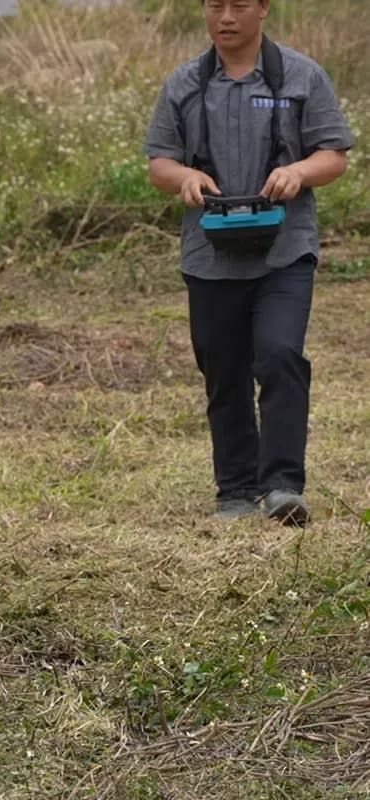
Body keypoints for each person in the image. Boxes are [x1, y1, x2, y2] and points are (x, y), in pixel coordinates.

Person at [145, 0, 353, 525]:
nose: (226, 17)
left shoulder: (303, 77)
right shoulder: (183, 83)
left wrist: (299, 172)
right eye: (215, 5)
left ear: (263, 9)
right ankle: (235, 491)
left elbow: (334, 155)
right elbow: (160, 163)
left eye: (239, 5)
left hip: (285, 251)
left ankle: (283, 487)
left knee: (280, 355)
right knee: (222, 367)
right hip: (208, 253)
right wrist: (185, 178)